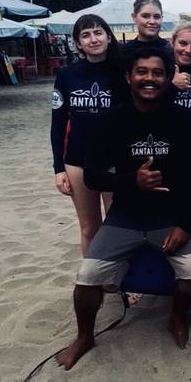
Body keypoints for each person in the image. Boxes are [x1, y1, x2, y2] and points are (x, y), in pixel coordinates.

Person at [55, 47, 191, 370]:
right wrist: (131, 181)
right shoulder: (110, 121)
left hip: (171, 215)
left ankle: (177, 317)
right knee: (87, 277)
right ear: (129, 77)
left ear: (168, 78)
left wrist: (183, 223)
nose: (149, 79)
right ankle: (84, 337)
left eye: (156, 73)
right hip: (125, 216)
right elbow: (93, 177)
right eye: (141, 72)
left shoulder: (185, 121)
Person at [51, 14, 127, 253]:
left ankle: (116, 279)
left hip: (114, 160)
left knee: (117, 225)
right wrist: (58, 169)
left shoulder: (124, 73)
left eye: (98, 32)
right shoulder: (66, 76)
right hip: (78, 160)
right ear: (78, 43)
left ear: (107, 36)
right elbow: (58, 124)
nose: (93, 39)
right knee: (89, 227)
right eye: (86, 35)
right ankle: (92, 280)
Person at [122, 0, 174, 71]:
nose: (152, 22)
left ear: (162, 18)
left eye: (156, 17)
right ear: (134, 17)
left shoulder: (171, 50)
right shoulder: (122, 52)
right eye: (145, 16)